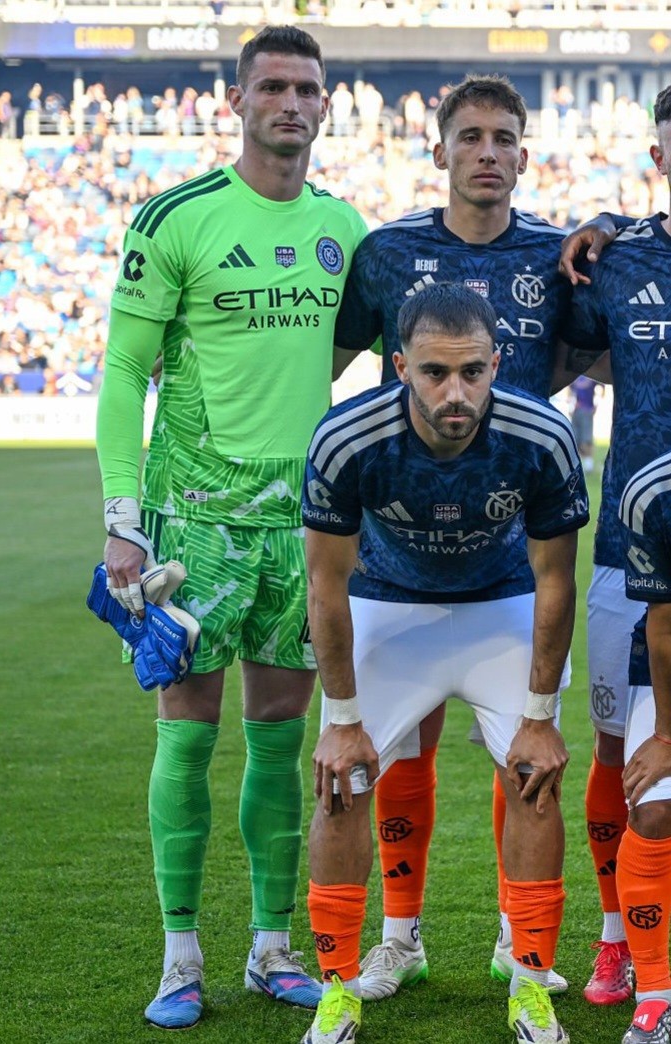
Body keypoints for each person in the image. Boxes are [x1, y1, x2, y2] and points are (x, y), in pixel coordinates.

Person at [95, 25, 367, 1031]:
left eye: (307, 87)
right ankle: (179, 957)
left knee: (282, 738)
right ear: (238, 100)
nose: (290, 103)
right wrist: (125, 518)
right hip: (192, 527)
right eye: (273, 87)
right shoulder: (178, 218)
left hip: (300, 529)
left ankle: (269, 946)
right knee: (187, 739)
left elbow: (345, 353)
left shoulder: (346, 226)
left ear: (325, 105)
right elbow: (124, 371)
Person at [332, 72, 585, 1001]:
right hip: (393, 562)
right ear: (438, 151)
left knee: (523, 751)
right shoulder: (388, 252)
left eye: (504, 138)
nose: (488, 153)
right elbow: (329, 369)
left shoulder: (561, 258)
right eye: (470, 137)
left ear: (524, 153)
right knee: (399, 751)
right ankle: (399, 939)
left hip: (511, 563)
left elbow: (604, 354)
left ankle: (519, 945)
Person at [300, 282, 587, 1044]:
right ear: (400, 366)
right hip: (389, 609)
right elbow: (325, 587)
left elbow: (557, 578)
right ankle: (339, 989)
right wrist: (341, 721)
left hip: (501, 609)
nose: (454, 392)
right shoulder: (345, 438)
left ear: (498, 362)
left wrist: (539, 716)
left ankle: (529, 983)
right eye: (433, 373)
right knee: (341, 781)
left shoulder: (542, 435)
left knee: (535, 779)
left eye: (471, 372)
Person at [561, 82, 671, 1008]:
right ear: (659, 159)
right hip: (628, 556)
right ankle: (615, 939)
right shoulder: (620, 260)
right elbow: (552, 349)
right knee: (617, 755)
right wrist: (604, 224)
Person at [618, 451, 671, 1044]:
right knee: (653, 805)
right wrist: (666, 738)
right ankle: (656, 994)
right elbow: (665, 624)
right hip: (664, 679)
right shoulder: (656, 490)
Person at [568, 374, 603, 474]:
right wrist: (570, 404)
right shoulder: (574, 375)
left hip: (587, 410)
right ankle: (579, 466)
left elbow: (601, 388)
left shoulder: (592, 373)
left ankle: (589, 466)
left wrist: (597, 404)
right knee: (575, 439)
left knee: (586, 439)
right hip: (575, 411)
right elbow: (570, 390)